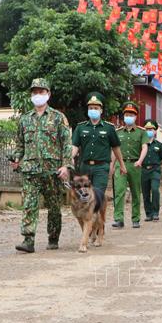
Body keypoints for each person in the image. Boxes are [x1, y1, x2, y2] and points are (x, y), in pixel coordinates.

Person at [10, 78, 72, 253]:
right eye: (35, 92)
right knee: (29, 204)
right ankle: (28, 240)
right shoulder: (24, 119)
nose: (38, 95)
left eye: (41, 92)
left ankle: (53, 238)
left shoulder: (58, 118)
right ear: (31, 95)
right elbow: (20, 145)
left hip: (52, 170)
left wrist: (66, 166)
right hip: (30, 170)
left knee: (53, 206)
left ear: (48, 94)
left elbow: (66, 143)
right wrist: (16, 158)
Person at [71, 91, 127, 193]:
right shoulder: (80, 127)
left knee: (97, 197)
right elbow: (74, 146)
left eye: (96, 108)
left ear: (101, 110)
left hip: (101, 167)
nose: (93, 110)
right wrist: (70, 157)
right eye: (91, 108)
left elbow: (115, 147)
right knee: (85, 197)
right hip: (84, 167)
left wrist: (122, 164)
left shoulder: (109, 128)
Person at [110, 102, 149, 229]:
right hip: (121, 165)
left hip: (135, 164)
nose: (129, 116)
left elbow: (144, 147)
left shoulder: (141, 132)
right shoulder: (117, 132)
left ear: (136, 116)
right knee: (119, 192)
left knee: (136, 192)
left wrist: (140, 161)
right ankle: (118, 218)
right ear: (123, 116)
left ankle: (136, 218)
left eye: (131, 114)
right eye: (127, 114)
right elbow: (114, 150)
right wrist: (112, 165)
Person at [141, 119, 162, 222]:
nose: (149, 131)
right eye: (147, 129)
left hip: (155, 170)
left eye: (151, 129)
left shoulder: (159, 145)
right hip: (143, 170)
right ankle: (148, 214)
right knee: (145, 193)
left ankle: (155, 213)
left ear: (155, 131)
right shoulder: (142, 144)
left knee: (155, 190)